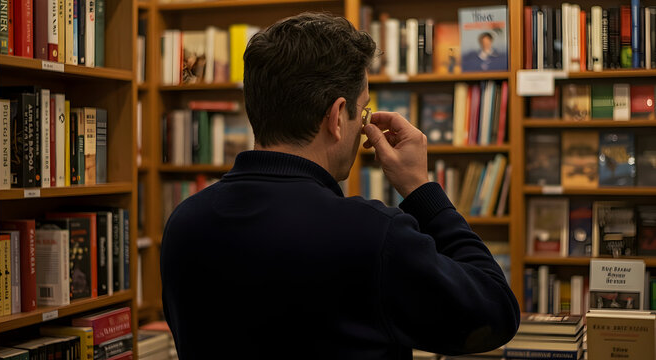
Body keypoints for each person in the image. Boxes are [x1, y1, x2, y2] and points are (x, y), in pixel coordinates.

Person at [161, 12, 520, 359]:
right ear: (336, 116)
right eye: (363, 113)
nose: (364, 126)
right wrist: (420, 190)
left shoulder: (184, 223)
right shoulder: (372, 234)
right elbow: (494, 312)